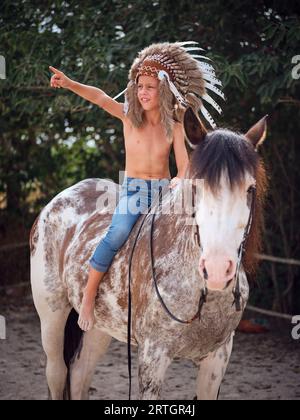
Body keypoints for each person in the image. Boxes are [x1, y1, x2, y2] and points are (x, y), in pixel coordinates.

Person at [49, 41, 224, 331]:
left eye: (149, 87)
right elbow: (101, 98)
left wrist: (179, 182)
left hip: (164, 193)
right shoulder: (129, 116)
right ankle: (89, 295)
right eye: (140, 86)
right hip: (133, 191)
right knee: (117, 232)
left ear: (163, 90)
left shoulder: (175, 124)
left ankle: (197, 297)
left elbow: (182, 167)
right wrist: (68, 83)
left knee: (191, 232)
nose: (142, 92)